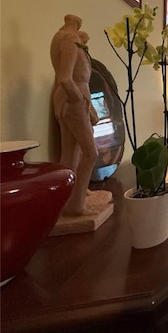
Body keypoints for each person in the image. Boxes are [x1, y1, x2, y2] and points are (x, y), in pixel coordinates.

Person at [50, 15, 98, 216]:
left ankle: (65, 199)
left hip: (72, 99)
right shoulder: (69, 39)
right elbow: (64, 77)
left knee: (70, 153)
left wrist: (89, 106)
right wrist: (79, 101)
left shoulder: (61, 37)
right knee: (90, 153)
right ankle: (76, 205)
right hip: (72, 99)